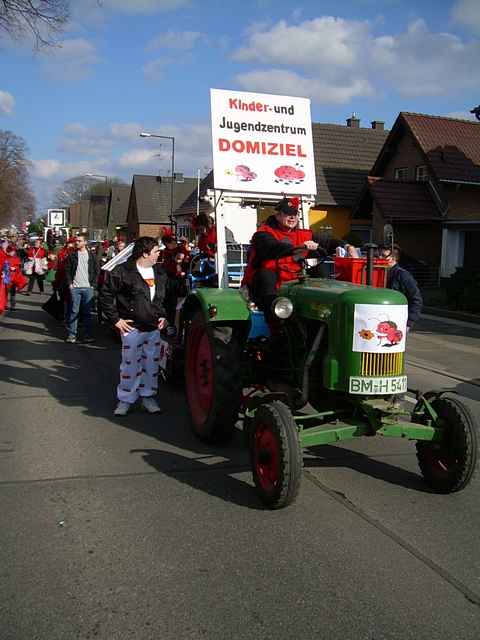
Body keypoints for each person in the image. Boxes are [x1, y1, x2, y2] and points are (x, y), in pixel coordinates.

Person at [100, 236, 169, 416]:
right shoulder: (122, 271)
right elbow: (105, 295)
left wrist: (164, 316)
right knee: (130, 366)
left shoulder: (160, 273)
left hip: (153, 328)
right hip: (132, 328)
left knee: (152, 365)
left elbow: (163, 299)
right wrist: (116, 319)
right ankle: (125, 399)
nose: (159, 254)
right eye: (156, 251)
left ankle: (148, 398)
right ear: (145, 253)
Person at [242, 196, 318, 322]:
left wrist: (347, 246)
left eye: (295, 214)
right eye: (288, 214)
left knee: (319, 272)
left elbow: (327, 241)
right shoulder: (262, 234)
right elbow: (271, 247)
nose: (292, 217)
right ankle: (275, 322)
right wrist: (299, 247)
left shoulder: (305, 234)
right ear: (278, 216)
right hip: (268, 283)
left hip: (293, 279)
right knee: (266, 275)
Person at [64, 234, 99, 343]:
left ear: (85, 242)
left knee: (87, 313)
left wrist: (93, 285)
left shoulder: (92, 256)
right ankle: (72, 335)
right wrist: (70, 284)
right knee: (74, 312)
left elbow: (97, 270)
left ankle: (87, 335)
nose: (77, 242)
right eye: (76, 241)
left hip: (88, 287)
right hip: (76, 287)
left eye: (79, 241)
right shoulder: (72, 255)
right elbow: (68, 270)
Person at [380, 244, 423, 329]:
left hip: (398, 320)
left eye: (383, 256)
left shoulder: (403, 275)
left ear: (393, 258)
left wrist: (409, 322)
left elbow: (416, 298)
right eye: (379, 255)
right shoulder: (380, 273)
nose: (380, 258)